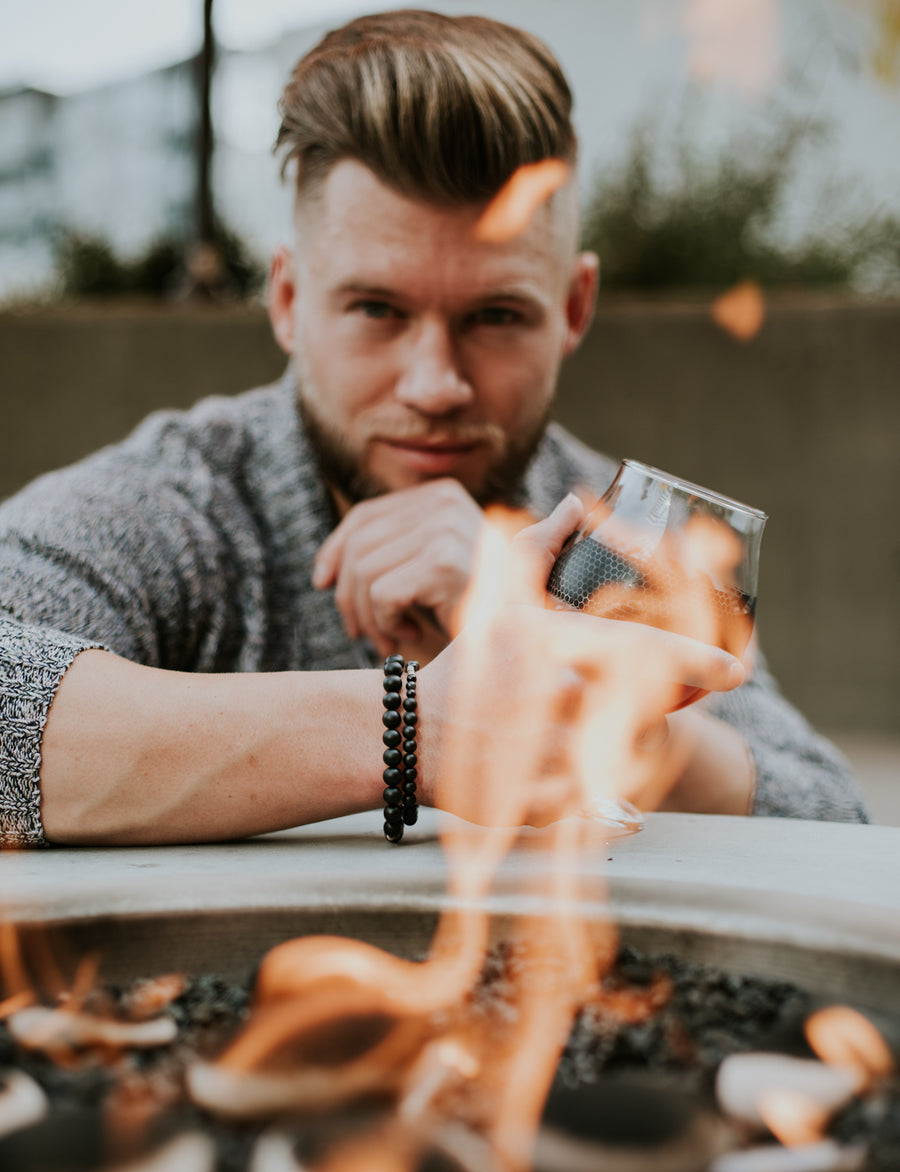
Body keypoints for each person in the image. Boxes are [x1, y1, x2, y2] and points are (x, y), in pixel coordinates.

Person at [0, 9, 866, 848]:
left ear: (573, 308)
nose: (436, 384)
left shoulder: (618, 538)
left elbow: (839, 831)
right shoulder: (180, 506)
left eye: (495, 315)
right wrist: (418, 724)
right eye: (377, 308)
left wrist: (608, 723)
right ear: (290, 300)